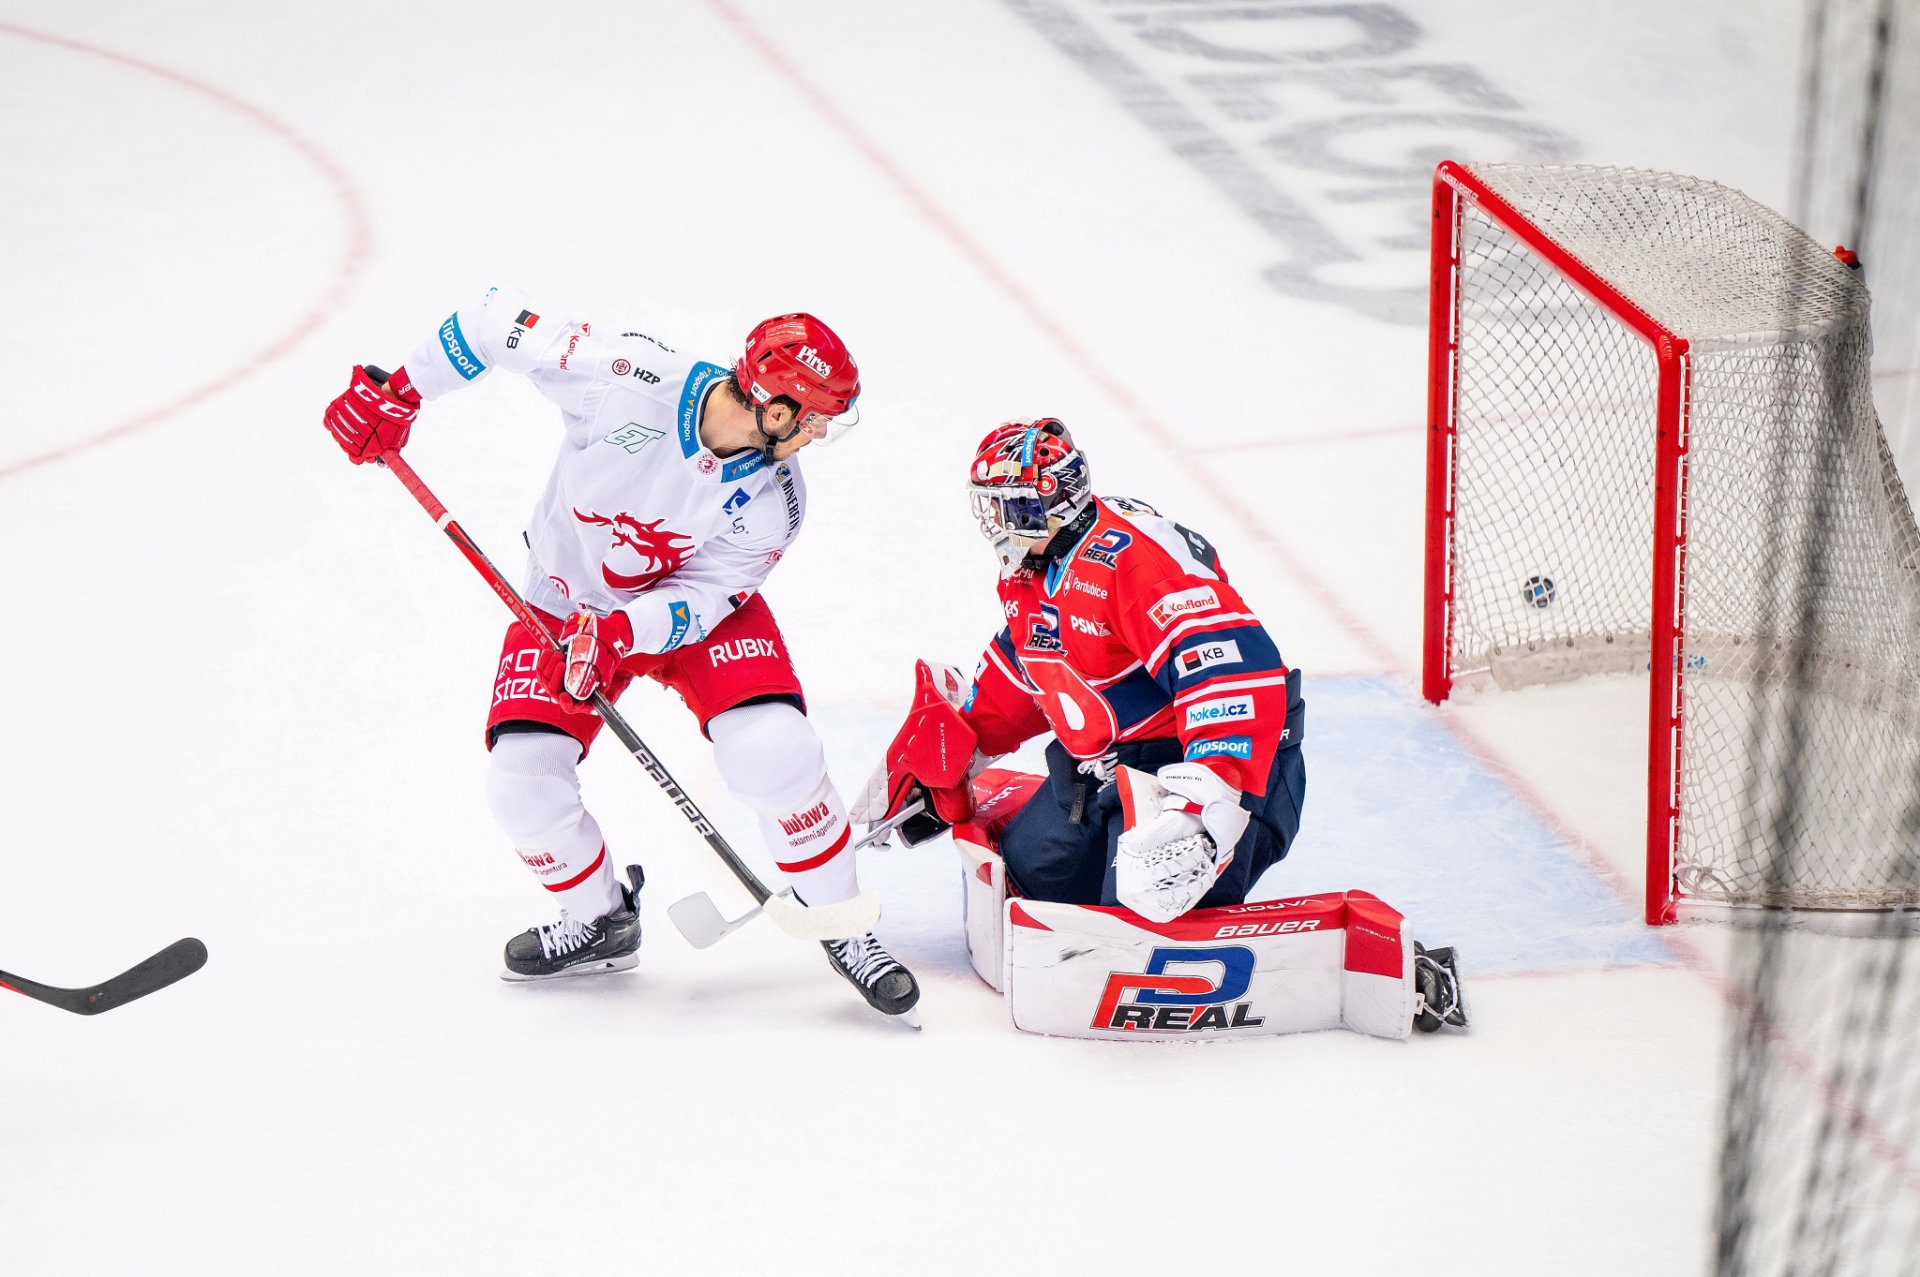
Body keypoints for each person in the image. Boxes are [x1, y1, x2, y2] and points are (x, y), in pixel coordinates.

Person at [320, 289, 917, 1020]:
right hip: (563, 598)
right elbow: (489, 323)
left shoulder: (775, 500)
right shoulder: (628, 377)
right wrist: (401, 391)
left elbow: (705, 597)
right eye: (815, 417)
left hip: (686, 621)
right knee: (522, 785)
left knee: (774, 752)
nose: (819, 434)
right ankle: (599, 920)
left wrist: (620, 634)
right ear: (775, 404)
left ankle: (844, 923)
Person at [858, 417, 1463, 1031]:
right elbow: (1029, 662)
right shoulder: (1032, 568)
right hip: (1108, 768)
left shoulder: (1136, 560)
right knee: (1037, 876)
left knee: (1143, 915)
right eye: (989, 505)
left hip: (1226, 764)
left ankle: (1392, 964)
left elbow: (1231, 672)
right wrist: (957, 749)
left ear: (1049, 501)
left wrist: (1206, 800)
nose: (994, 521)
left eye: (1007, 504)